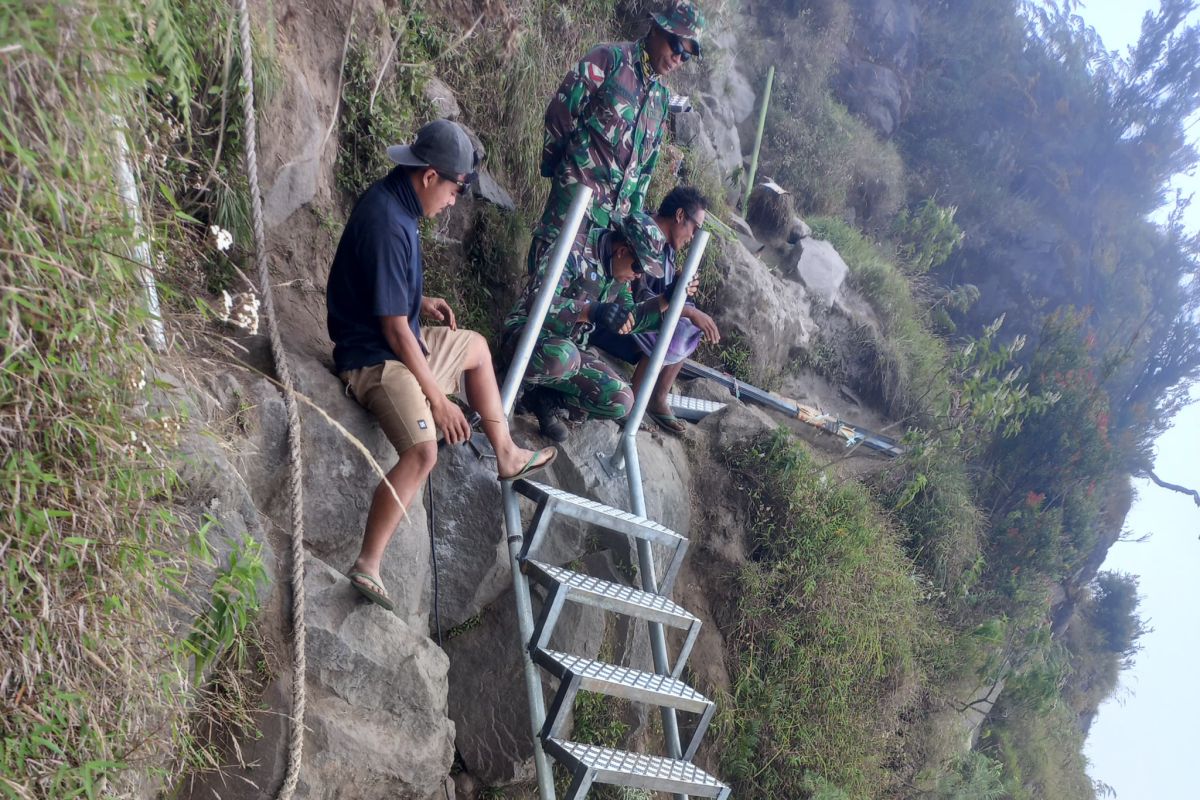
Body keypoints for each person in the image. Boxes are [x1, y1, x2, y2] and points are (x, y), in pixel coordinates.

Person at [327, 119, 556, 611]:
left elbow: (384, 292)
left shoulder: (399, 205)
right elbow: (393, 331)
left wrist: (419, 300)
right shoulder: (388, 222)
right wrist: (438, 399)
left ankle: (506, 454)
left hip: (398, 338)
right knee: (424, 451)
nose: (453, 201)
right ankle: (368, 563)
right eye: (453, 190)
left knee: (476, 349)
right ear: (429, 176)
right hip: (373, 358)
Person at [528, 0, 706, 275]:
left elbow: (644, 172)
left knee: (580, 299)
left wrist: (629, 229)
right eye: (676, 46)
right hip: (573, 208)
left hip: (611, 235)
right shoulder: (609, 59)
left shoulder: (661, 100)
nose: (677, 58)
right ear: (656, 28)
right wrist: (563, 176)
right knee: (543, 284)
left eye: (686, 56)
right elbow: (561, 112)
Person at [504, 212, 697, 441]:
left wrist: (667, 299)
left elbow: (631, 319)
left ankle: (544, 398)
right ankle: (509, 385)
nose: (638, 277)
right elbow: (536, 302)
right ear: (622, 251)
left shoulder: (617, 275)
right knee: (564, 355)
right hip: (525, 336)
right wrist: (590, 311)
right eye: (638, 268)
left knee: (621, 400)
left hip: (569, 354)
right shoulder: (574, 250)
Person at [590, 185, 720, 434]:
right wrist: (686, 310)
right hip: (611, 317)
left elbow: (662, 296)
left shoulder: (668, 249)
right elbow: (637, 297)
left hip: (634, 319)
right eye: (695, 227)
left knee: (689, 323)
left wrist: (681, 293)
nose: (693, 236)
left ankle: (658, 396)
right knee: (677, 327)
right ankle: (634, 402)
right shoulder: (643, 236)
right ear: (680, 215)